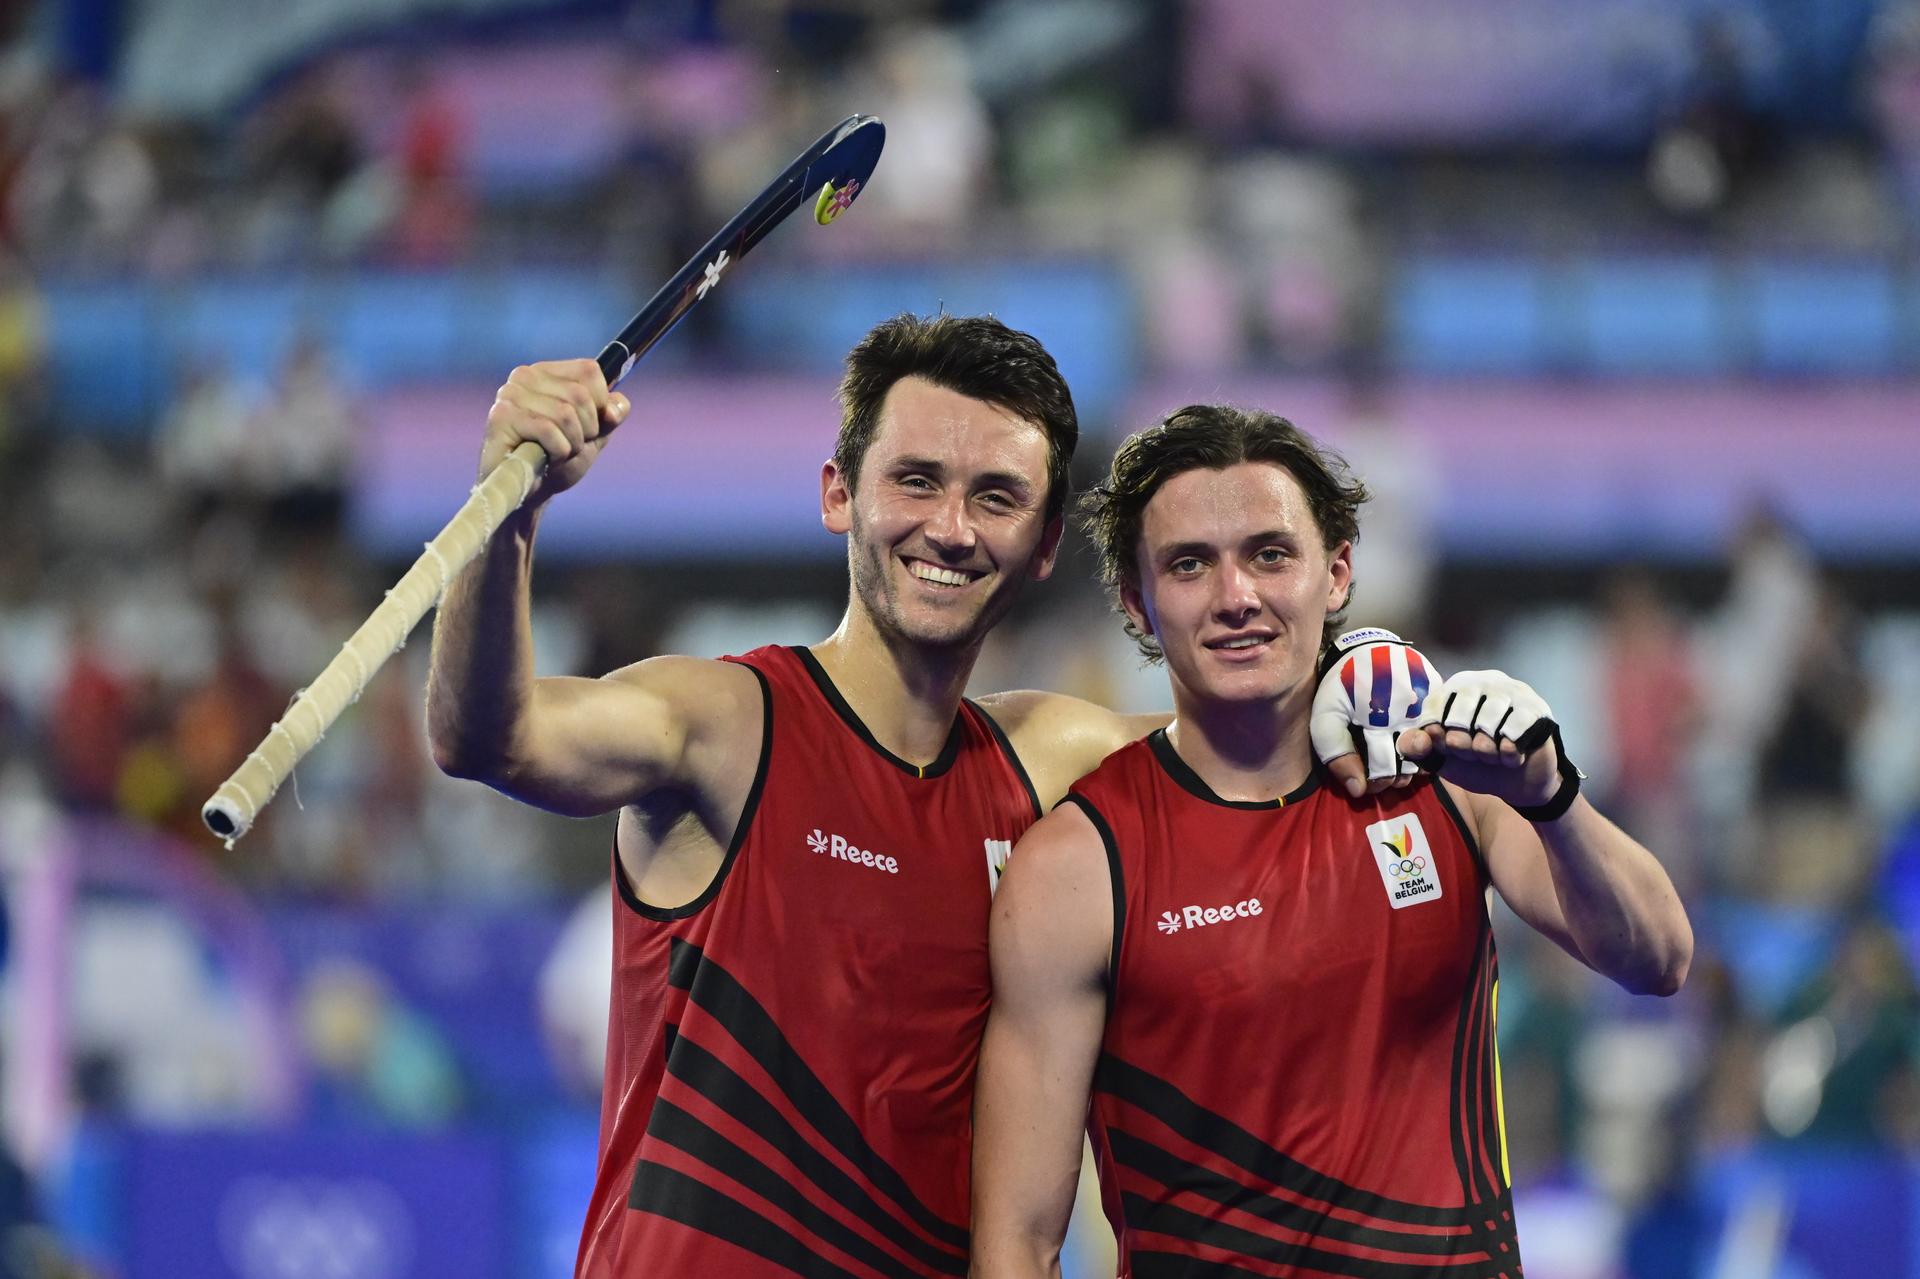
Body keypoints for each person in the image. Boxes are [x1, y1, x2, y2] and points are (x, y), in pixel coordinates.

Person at [428, 314, 1191, 1277]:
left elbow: (1266, 743)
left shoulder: (1046, 765)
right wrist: (507, 508)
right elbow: (488, 737)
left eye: (996, 497)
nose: (951, 528)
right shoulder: (726, 723)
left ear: (1043, 545)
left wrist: (1363, 671)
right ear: (839, 493)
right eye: (917, 480)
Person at [969, 404, 1695, 1278]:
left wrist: (1554, 797)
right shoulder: (1077, 867)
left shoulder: (1449, 774)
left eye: (1270, 554)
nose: (1237, 596)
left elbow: (1660, 957)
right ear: (1137, 600)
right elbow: (1018, 1238)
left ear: (1338, 571)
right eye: (1190, 563)